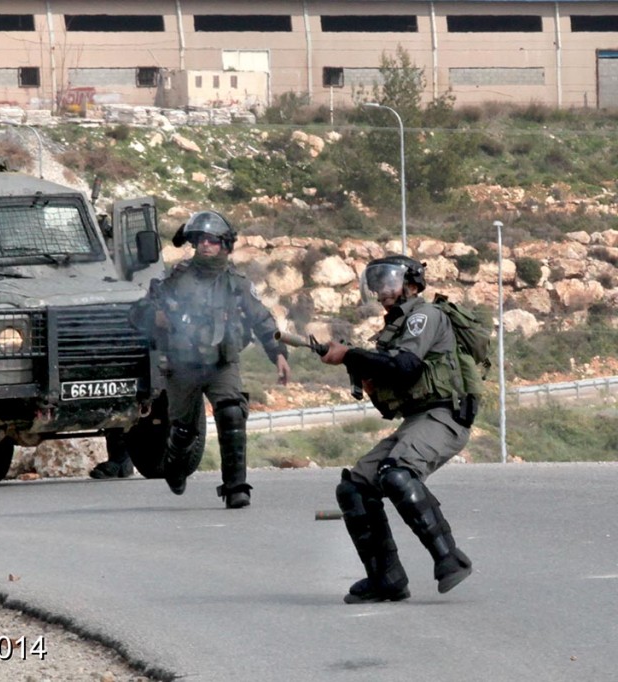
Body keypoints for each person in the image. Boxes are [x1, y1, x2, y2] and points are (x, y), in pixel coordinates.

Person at [320, 255, 473, 603]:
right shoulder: (391, 333)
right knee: (355, 488)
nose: (382, 291)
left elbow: (404, 367)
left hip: (445, 415)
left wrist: (350, 356)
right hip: (416, 420)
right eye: (377, 283)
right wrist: (357, 366)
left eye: (389, 282)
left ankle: (450, 558)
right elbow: (389, 401)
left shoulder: (424, 316)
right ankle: (385, 578)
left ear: (412, 284)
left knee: (397, 474)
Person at [129, 211, 291, 508]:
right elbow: (138, 312)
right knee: (183, 431)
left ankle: (236, 487)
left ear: (225, 246)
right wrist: (157, 317)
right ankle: (174, 466)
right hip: (183, 366)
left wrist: (279, 354)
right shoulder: (174, 279)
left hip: (221, 363)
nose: (205, 246)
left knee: (231, 413)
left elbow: (263, 321)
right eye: (201, 240)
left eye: (213, 241)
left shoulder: (237, 284)